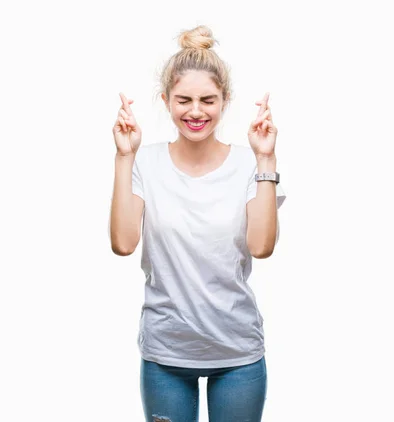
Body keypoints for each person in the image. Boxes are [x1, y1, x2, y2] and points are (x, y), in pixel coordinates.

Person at [109, 24, 286, 422]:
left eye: (208, 100)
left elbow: (262, 246)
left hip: (237, 353)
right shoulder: (145, 164)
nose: (195, 111)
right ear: (166, 101)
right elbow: (123, 243)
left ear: (224, 101)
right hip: (166, 354)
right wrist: (124, 157)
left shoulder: (248, 166)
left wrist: (266, 162)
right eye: (183, 100)